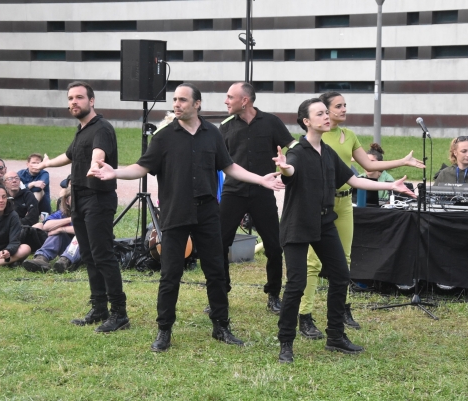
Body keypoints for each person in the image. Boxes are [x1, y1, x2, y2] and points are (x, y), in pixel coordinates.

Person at [90, 83, 285, 352]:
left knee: (215, 271)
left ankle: (221, 326)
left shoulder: (212, 134)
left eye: (183, 100)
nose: (177, 104)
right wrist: (115, 173)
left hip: (207, 212)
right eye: (175, 100)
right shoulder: (164, 136)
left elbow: (229, 166)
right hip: (176, 213)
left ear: (197, 104)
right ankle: (164, 331)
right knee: (170, 274)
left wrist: (260, 179)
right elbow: (142, 166)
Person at [273, 98, 415, 363]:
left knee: (340, 276)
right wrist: (284, 168)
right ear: (306, 121)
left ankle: (335, 337)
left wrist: (390, 187)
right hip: (298, 225)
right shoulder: (297, 151)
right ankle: (286, 343)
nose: (327, 117)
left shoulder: (327, 152)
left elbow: (354, 180)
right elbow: (290, 171)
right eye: (320, 113)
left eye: (327, 112)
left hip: (325, 222)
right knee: (297, 283)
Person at [37, 81, 129, 333]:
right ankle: (99, 308)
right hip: (79, 199)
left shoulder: (102, 128)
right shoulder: (81, 131)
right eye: (70, 98)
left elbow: (98, 154)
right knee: (88, 255)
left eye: (79, 97)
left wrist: (95, 164)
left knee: (103, 255)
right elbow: (68, 156)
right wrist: (45, 165)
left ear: (92, 100)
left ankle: (119, 313)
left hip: (97, 199)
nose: (73, 102)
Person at [217, 82, 295, 315]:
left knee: (273, 246)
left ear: (245, 100)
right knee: (219, 245)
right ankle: (220, 293)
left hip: (263, 192)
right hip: (233, 192)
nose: (226, 101)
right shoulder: (224, 127)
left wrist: (288, 164)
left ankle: (273, 295)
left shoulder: (271, 122)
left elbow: (292, 148)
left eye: (230, 97)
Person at [23, 187, 80, 273]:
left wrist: (62, 229)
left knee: (79, 235)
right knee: (55, 231)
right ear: (67, 201)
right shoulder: (61, 214)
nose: (77, 200)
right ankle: (41, 258)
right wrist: (70, 219)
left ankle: (65, 261)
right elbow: (46, 226)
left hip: (84, 250)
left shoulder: (90, 213)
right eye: (74, 197)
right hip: (65, 246)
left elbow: (86, 230)